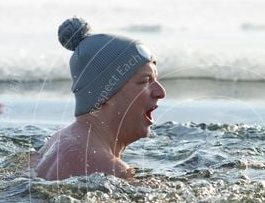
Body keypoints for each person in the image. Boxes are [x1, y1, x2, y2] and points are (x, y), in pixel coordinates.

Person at [32, 17, 166, 180]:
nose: (160, 92)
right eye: (145, 81)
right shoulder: (109, 169)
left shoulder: (56, 141)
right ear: (105, 94)